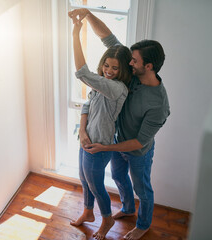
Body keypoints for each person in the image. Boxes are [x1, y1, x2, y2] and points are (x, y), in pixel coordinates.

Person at [69, 9, 170, 240]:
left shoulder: (158, 103)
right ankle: (126, 208)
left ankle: (143, 225)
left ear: (149, 66)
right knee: (118, 177)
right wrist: (88, 14)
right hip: (115, 140)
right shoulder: (129, 72)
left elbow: (139, 141)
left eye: (134, 61)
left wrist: (105, 148)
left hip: (136, 150)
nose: (129, 62)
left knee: (142, 190)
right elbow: (107, 37)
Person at [69, 17, 132, 240]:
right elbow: (87, 104)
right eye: (106, 66)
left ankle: (106, 219)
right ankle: (88, 212)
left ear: (123, 70)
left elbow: (82, 73)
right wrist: (83, 132)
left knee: (96, 186)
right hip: (86, 140)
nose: (109, 71)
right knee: (83, 179)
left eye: (115, 68)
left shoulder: (117, 89)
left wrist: (76, 35)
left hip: (99, 147)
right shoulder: (102, 84)